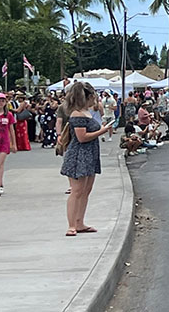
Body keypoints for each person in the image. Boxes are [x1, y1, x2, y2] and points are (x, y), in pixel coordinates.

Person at [60, 82, 113, 236]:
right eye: (93, 97)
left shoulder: (86, 112)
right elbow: (81, 137)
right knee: (77, 191)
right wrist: (102, 131)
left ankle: (79, 222)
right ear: (88, 97)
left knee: (86, 190)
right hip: (79, 155)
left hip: (89, 154)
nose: (95, 100)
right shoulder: (77, 114)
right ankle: (71, 225)